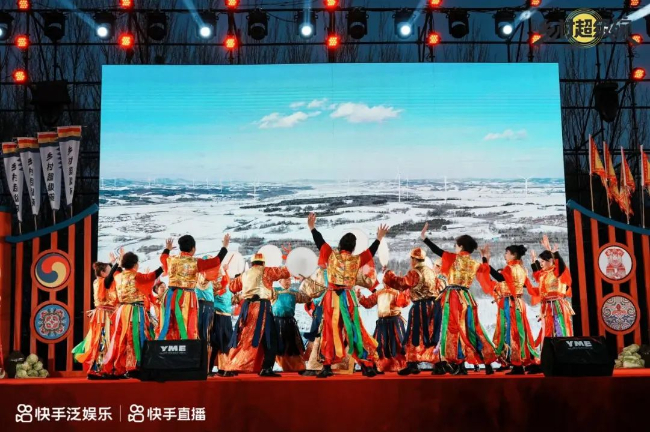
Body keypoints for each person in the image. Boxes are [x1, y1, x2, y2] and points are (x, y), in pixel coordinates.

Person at [307, 212, 386, 378]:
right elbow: (370, 252)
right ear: (353, 248)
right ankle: (366, 364)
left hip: (332, 299)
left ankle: (327, 366)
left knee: (330, 330)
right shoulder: (357, 260)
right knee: (355, 329)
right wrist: (379, 238)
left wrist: (312, 228)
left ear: (340, 244)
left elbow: (319, 241)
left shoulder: (331, 255)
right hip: (349, 298)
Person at [420, 222, 497, 375]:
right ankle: (486, 358)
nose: (455, 248)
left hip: (453, 297)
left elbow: (437, 251)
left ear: (461, 247)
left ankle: (458, 363)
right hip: (467, 298)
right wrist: (484, 258)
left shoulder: (453, 258)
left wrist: (424, 238)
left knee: (453, 330)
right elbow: (485, 270)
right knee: (472, 328)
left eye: (456, 246)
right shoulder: (474, 263)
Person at [382, 247, 447, 375]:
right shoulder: (430, 271)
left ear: (413, 259)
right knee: (431, 334)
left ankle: (412, 363)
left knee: (414, 334)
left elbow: (401, 284)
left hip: (420, 307)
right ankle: (438, 364)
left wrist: (388, 274)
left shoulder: (415, 272)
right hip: (434, 307)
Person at [227, 253, 291, 377]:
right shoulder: (267, 271)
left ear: (252, 263)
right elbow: (285, 273)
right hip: (262, 307)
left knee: (243, 336)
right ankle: (266, 367)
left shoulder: (245, 274)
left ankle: (231, 364)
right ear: (263, 263)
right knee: (270, 337)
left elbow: (232, 287)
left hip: (248, 308)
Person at [479, 244, 539, 375]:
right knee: (520, 333)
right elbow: (524, 285)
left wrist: (485, 261)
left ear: (513, 255)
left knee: (514, 334)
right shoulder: (521, 269)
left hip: (511, 304)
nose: (505, 255)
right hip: (517, 303)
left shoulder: (510, 268)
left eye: (506, 253)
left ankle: (518, 365)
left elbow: (499, 277)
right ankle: (524, 361)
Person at [103, 251, 164, 377]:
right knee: (134, 337)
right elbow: (151, 277)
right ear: (135, 264)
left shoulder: (118, 276)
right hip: (134, 311)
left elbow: (114, 273)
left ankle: (118, 367)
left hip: (122, 311)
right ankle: (133, 367)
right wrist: (163, 266)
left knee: (121, 339)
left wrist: (118, 262)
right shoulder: (136, 276)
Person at [157, 234, 229, 340]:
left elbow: (162, 257)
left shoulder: (171, 260)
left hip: (170, 296)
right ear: (193, 249)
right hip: (186, 297)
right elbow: (216, 261)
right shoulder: (195, 262)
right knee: (187, 327)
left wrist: (167, 249)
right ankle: (186, 347)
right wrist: (224, 247)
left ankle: (167, 347)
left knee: (170, 325)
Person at [73, 250, 121, 379]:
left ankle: (108, 369)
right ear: (103, 273)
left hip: (105, 313)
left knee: (107, 341)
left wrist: (112, 263)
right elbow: (110, 278)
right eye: (109, 270)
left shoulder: (100, 281)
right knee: (103, 341)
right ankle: (99, 370)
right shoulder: (101, 282)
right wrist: (117, 263)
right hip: (104, 316)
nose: (112, 272)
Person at [529, 235, 574, 350]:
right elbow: (537, 275)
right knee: (548, 330)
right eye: (540, 262)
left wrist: (552, 252)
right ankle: (549, 354)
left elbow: (561, 266)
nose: (541, 264)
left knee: (559, 329)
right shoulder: (544, 274)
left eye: (543, 261)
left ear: (550, 261)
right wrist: (534, 262)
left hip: (557, 305)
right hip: (547, 307)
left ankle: (562, 351)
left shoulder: (556, 272)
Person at [357, 282, 410, 373]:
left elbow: (403, 303)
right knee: (379, 345)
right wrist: (360, 296)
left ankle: (403, 366)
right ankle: (380, 366)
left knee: (398, 344)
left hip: (394, 321)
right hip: (382, 321)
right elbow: (368, 303)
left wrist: (403, 292)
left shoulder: (397, 292)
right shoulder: (379, 292)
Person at [273, 278, 311, 372]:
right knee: (276, 345)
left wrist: (307, 282)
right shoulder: (274, 291)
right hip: (276, 323)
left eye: (289, 280)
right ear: (279, 281)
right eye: (285, 279)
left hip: (290, 323)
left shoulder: (294, 293)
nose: (287, 281)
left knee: (291, 346)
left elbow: (307, 298)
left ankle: (295, 367)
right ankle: (274, 365)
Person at [209, 266, 233, 377]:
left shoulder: (227, 285)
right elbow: (211, 295)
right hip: (217, 315)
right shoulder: (212, 284)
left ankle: (225, 368)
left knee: (227, 343)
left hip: (227, 317)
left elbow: (232, 300)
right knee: (216, 343)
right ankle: (209, 369)